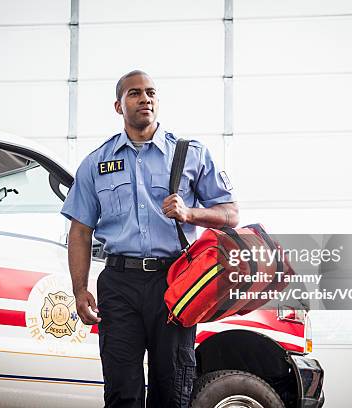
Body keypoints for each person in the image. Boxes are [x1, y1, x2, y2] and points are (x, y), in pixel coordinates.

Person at [61, 70, 239, 408]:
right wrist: (79, 289)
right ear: (118, 106)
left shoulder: (190, 154)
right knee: (121, 390)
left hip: (173, 283)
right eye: (134, 93)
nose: (145, 98)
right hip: (119, 284)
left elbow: (231, 214)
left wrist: (191, 214)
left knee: (172, 391)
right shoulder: (96, 163)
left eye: (151, 92)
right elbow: (80, 231)